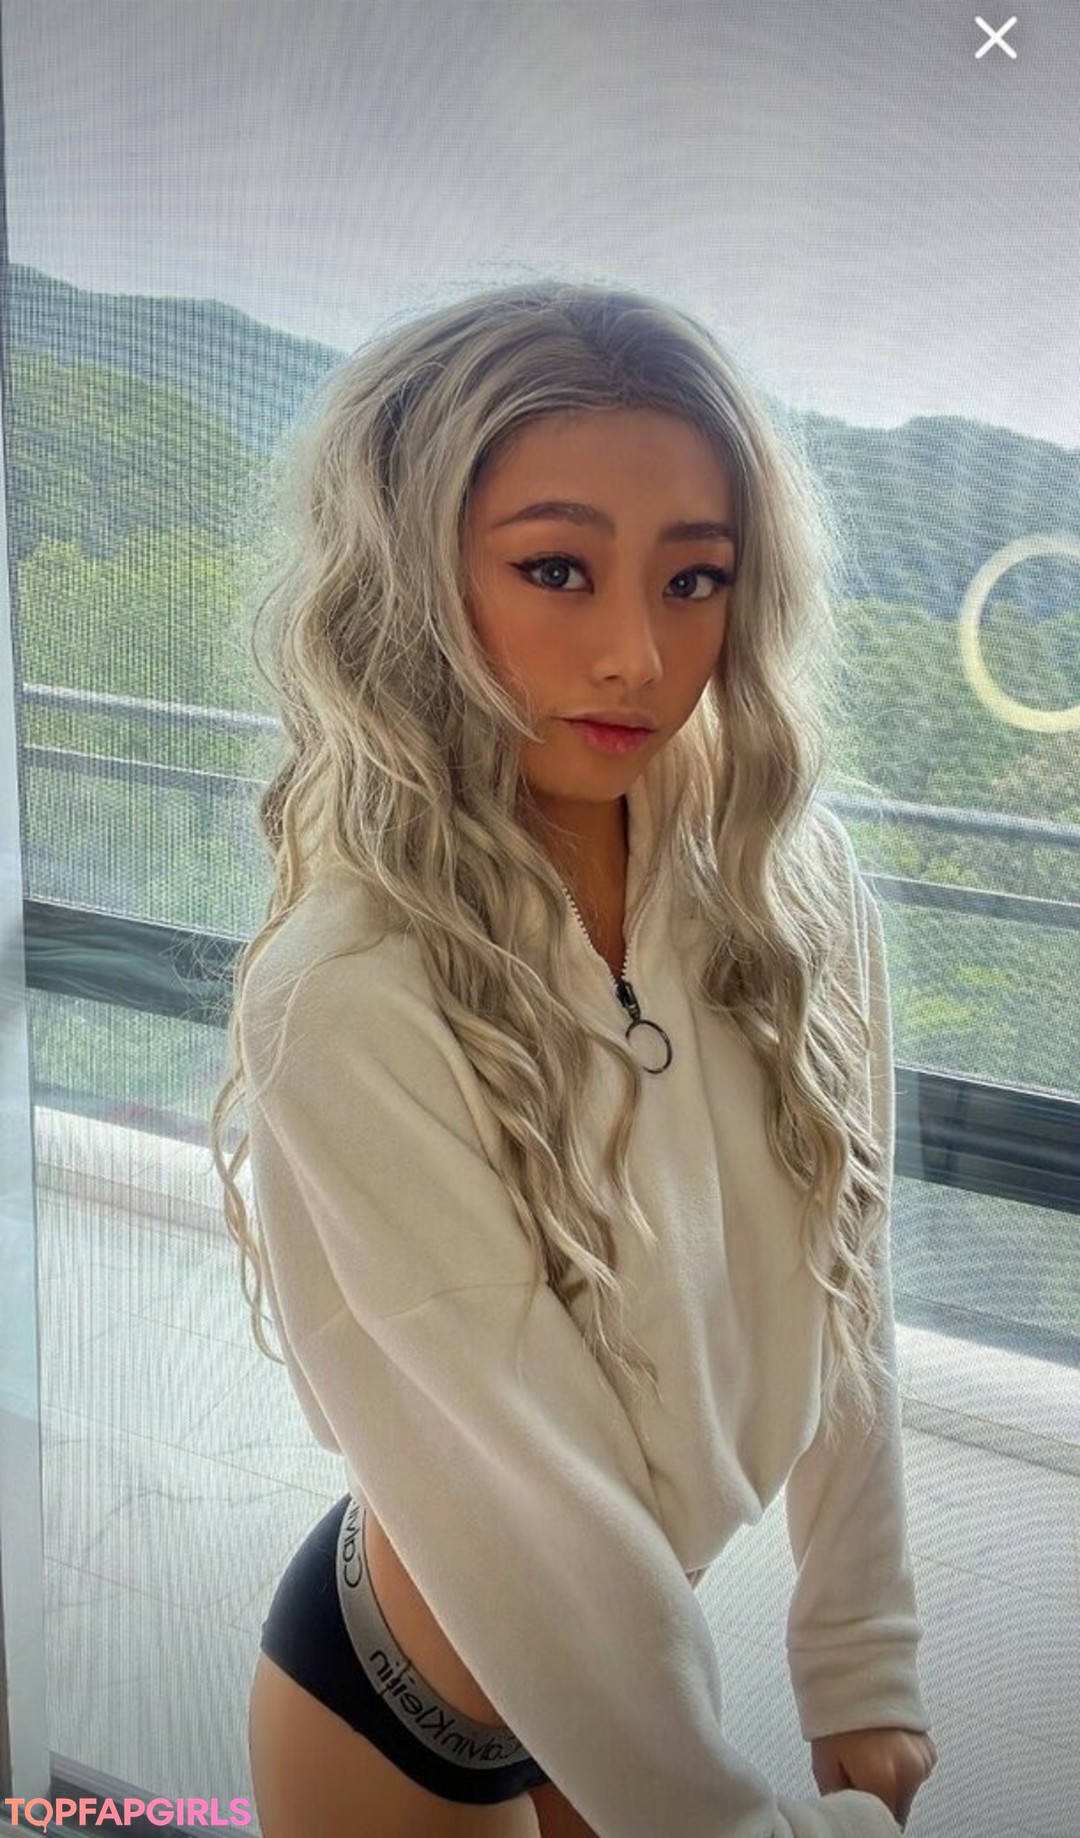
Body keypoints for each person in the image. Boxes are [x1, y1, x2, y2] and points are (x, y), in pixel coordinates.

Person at [209, 277, 939, 1837]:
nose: (637, 653)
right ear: (416, 576)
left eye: (695, 577)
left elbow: (851, 1271)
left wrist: (860, 1649)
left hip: (622, 1678)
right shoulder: (346, 991)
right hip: (406, 1708)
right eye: (557, 568)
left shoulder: (797, 891)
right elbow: (538, 1514)